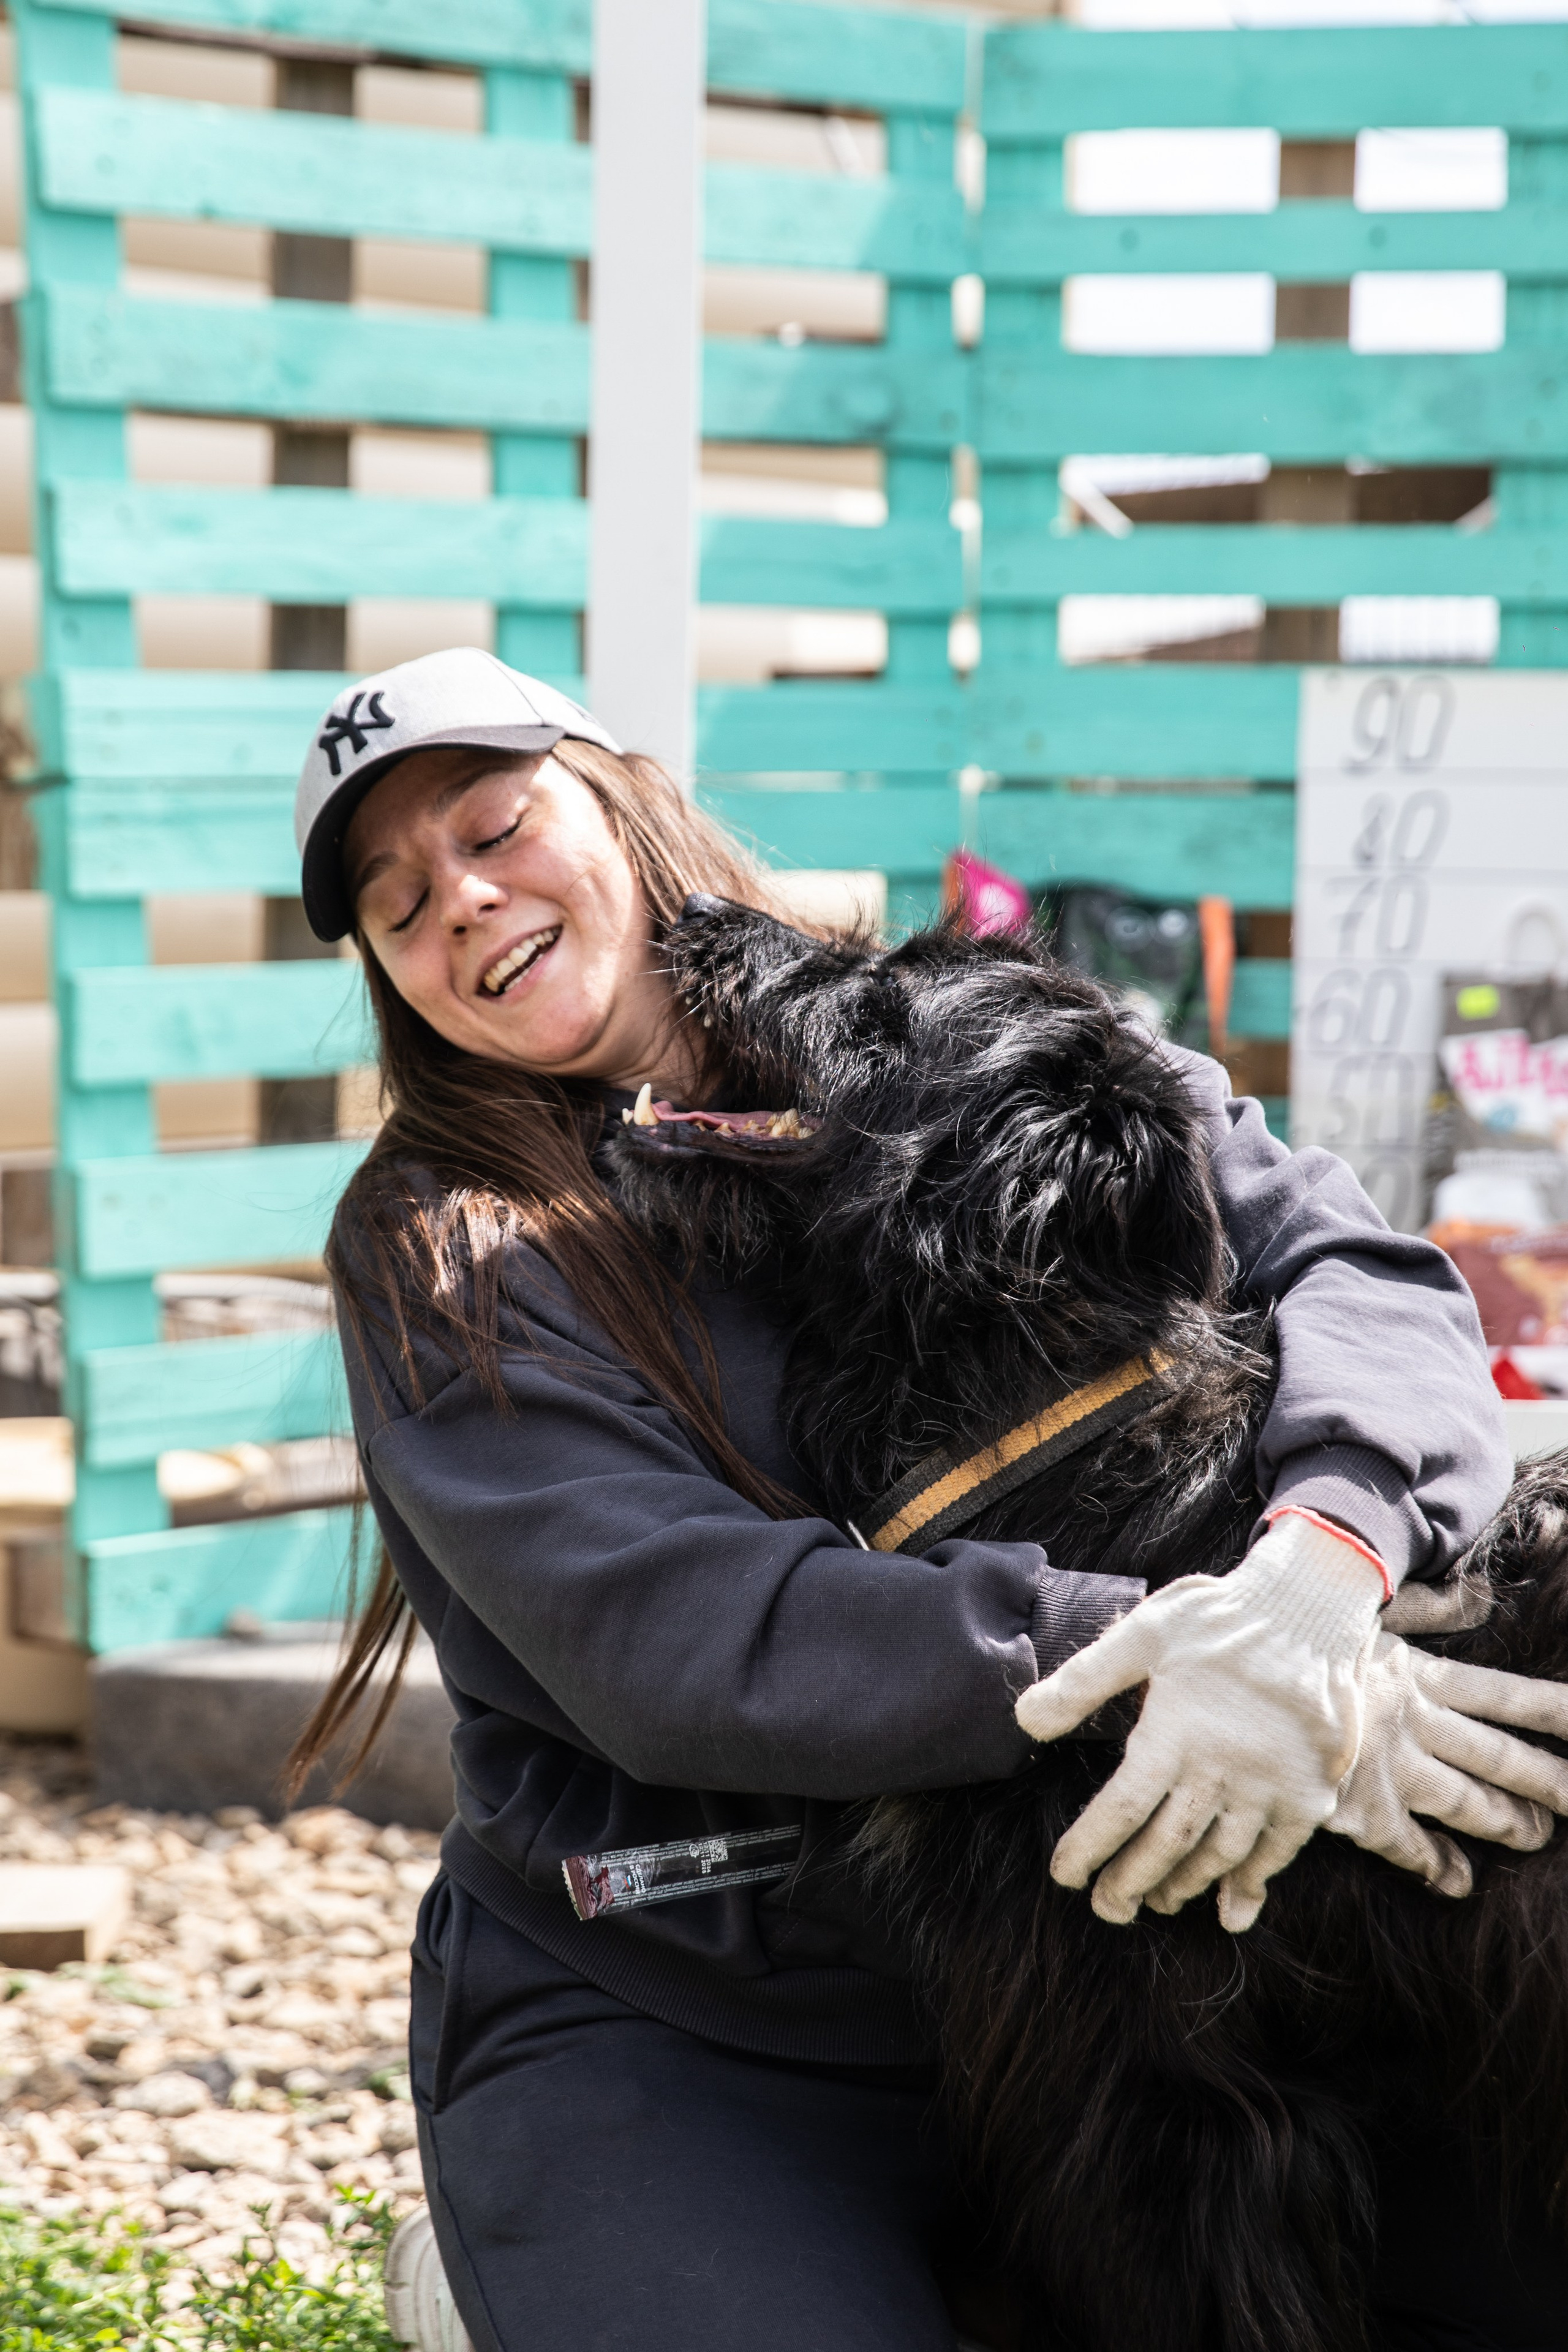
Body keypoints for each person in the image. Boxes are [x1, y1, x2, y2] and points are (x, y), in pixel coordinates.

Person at [289, 647, 1568, 2352]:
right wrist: (1163, 1655)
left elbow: (1349, 1263)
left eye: (494, 826)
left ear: (617, 796)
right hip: (714, 2007)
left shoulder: (960, 1021)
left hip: (1114, 1934)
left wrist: (1321, 1577)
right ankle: (509, 2272)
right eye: (396, 905)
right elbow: (675, 1636)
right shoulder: (443, 1248)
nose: (460, 897)